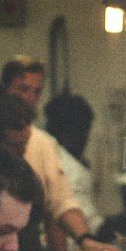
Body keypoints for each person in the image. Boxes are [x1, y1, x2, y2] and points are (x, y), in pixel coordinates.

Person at [0, 56, 110, 251]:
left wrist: (84, 239)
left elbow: (60, 200)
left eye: (36, 92)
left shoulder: (42, 143)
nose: (29, 98)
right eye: (23, 89)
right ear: (5, 88)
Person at [44, 91, 103, 234]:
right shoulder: (67, 166)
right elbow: (87, 218)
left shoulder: (51, 153)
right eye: (83, 131)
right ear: (66, 131)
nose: (86, 138)